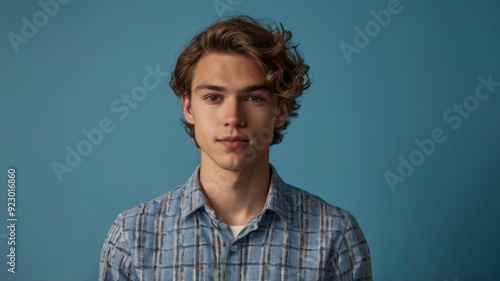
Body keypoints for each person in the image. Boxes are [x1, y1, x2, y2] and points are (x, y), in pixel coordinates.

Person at [98, 15, 372, 281]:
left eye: (253, 97)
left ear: (280, 110)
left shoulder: (335, 235)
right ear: (189, 107)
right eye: (213, 97)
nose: (233, 117)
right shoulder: (132, 236)